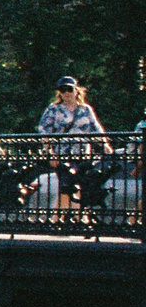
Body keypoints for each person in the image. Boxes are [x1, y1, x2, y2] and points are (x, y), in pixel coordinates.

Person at [37, 76, 107, 211]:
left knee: (77, 186)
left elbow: (96, 129)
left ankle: (63, 218)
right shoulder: (53, 109)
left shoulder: (85, 109)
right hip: (62, 155)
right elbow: (44, 132)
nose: (67, 93)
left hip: (82, 154)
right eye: (63, 90)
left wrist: (105, 146)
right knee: (67, 185)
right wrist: (50, 153)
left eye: (69, 89)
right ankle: (67, 218)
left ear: (76, 90)